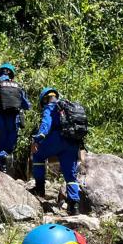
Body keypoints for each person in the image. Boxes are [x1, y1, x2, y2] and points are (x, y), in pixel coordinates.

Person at [31, 87, 85, 215]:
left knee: (38, 156)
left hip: (56, 140)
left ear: (45, 99)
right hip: (72, 143)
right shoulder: (67, 107)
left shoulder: (50, 107)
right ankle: (74, 206)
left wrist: (38, 139)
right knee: (70, 175)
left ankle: (39, 190)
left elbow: (46, 124)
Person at [0, 63, 29, 173]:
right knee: (8, 147)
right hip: (14, 121)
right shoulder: (18, 86)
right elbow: (26, 105)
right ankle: (6, 170)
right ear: (11, 74)